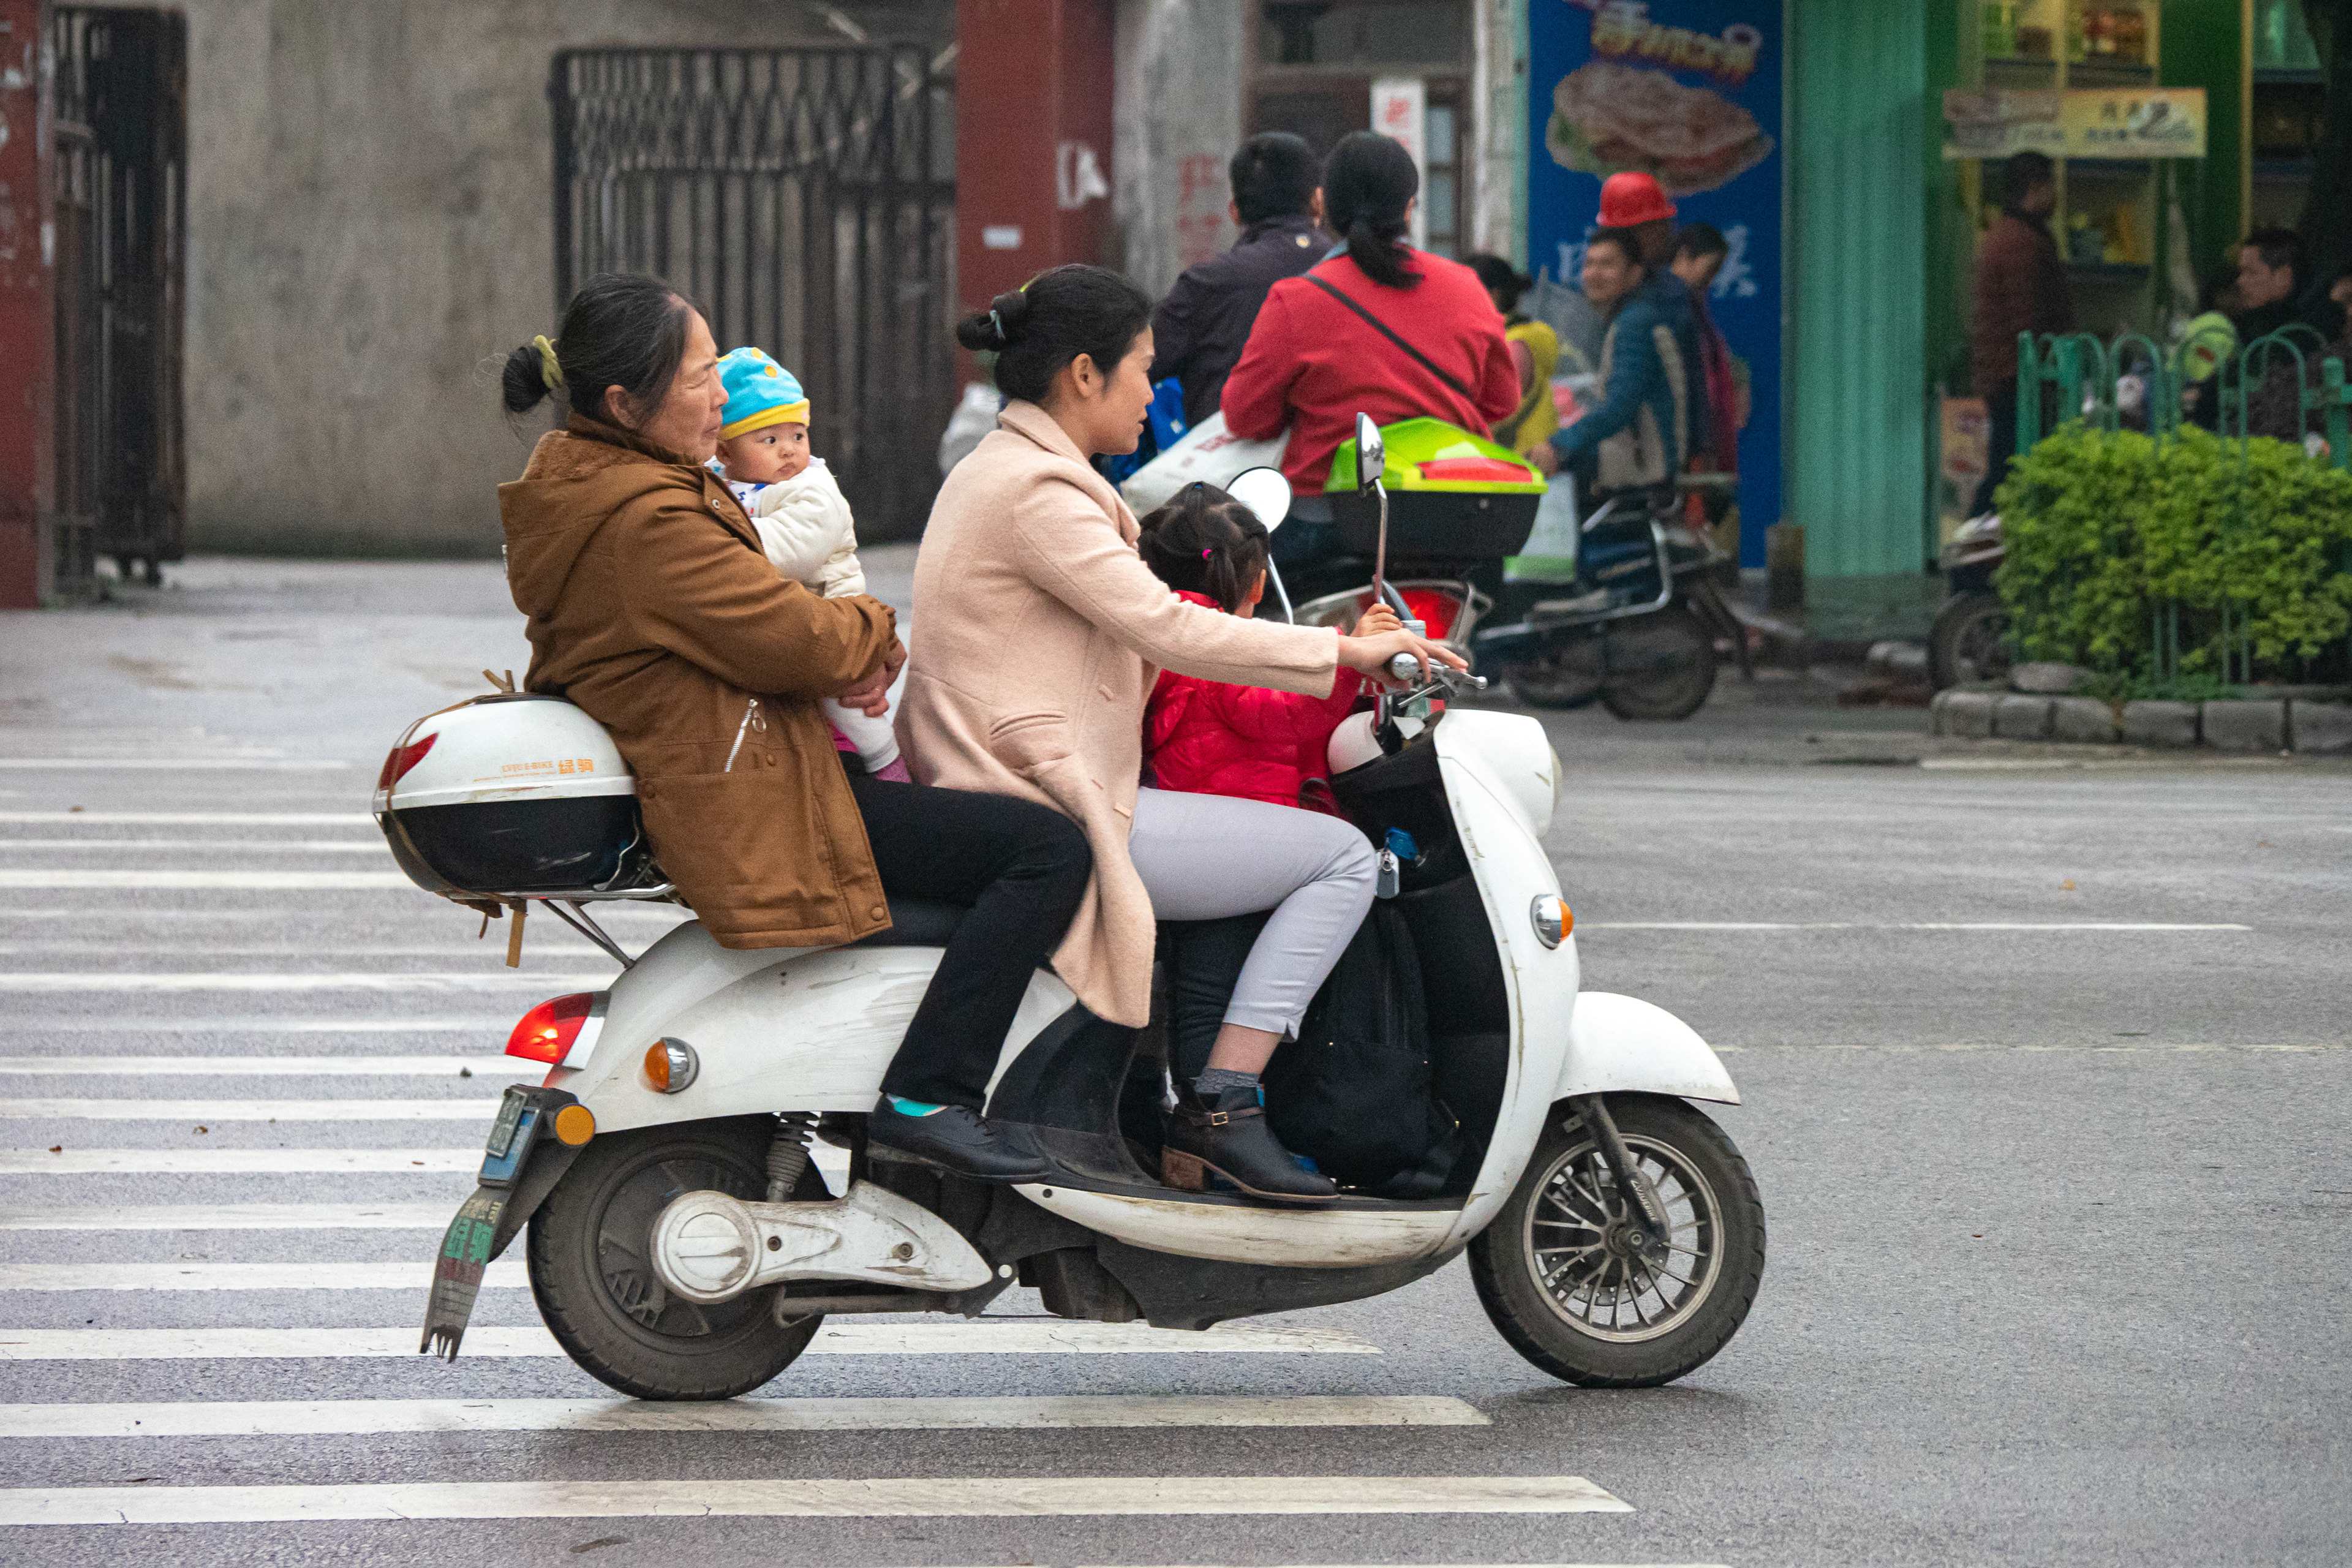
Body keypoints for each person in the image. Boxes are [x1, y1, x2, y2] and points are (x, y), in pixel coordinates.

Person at [498, 274, 1092, 1185]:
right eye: (700, 378)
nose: (722, 397)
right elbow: (799, 639)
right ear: (625, 403)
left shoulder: (607, 488)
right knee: (1047, 852)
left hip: (751, 769)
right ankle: (927, 1097)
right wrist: (875, 629)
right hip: (761, 794)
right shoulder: (647, 520)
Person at [899, 263, 1465, 1204]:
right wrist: (1340, 657)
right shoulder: (1038, 490)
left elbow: (1146, 640)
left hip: (1031, 774)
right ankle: (1225, 1103)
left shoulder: (1011, 472)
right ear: (1085, 374)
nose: (1153, 397)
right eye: (1142, 372)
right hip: (1047, 793)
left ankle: (1186, 1096)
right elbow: (1167, 626)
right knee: (1340, 861)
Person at [1221, 131, 1520, 514]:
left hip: (1329, 518)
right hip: (1450, 514)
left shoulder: (1295, 299)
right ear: (1409, 207)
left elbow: (1245, 417)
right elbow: (1501, 401)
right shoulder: (1467, 288)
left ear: (1323, 203)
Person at [709, 346, 906, 782]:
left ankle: (890, 770)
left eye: (798, 436)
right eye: (769, 440)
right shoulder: (723, 485)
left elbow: (796, 551)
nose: (789, 452)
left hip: (836, 617)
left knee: (858, 712)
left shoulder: (813, 487)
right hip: (790, 628)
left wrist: (717, 538)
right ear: (725, 452)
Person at [1138, 481, 1389, 810]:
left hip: (1189, 810)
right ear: (1259, 586)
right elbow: (1290, 708)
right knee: (1354, 853)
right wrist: (1351, 658)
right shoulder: (1222, 651)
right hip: (1244, 817)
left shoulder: (1152, 637)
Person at [1148, 133, 1330, 429]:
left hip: (1230, 467)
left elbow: (1136, 369)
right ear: (1317, 201)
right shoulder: (1357, 274)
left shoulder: (1206, 283)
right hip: (1341, 466)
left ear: (1234, 210)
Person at [1528, 228, 1687, 497]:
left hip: (1642, 467)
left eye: (1607, 264)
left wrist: (1559, 446)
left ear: (1634, 275)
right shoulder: (1622, 320)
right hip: (1629, 457)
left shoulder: (1634, 323)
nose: (1594, 274)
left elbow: (1618, 407)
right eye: (1589, 264)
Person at [1970, 150, 2072, 515]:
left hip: (2008, 375)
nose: (2057, 197)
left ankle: (1976, 562)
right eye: (2052, 187)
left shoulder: (2009, 236)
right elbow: (2025, 321)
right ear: (2037, 188)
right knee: (2006, 475)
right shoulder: (2020, 242)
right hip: (2017, 379)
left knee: (2008, 472)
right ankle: (1971, 566)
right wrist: (2040, 372)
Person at [1597, 172, 1712, 459]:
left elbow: (1627, 398)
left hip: (1655, 457)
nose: (1668, 232)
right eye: (1659, 225)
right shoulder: (1634, 294)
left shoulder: (1662, 298)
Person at [1465, 254, 1561, 455]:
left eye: (1462, 293)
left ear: (1493, 295)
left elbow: (1497, 410)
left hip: (1523, 468)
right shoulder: (1500, 338)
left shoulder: (1516, 342)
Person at [1670, 222, 1742, 474]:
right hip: (1686, 445)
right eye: (1710, 270)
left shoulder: (1696, 311)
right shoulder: (1672, 309)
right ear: (1682, 257)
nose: (1711, 280)